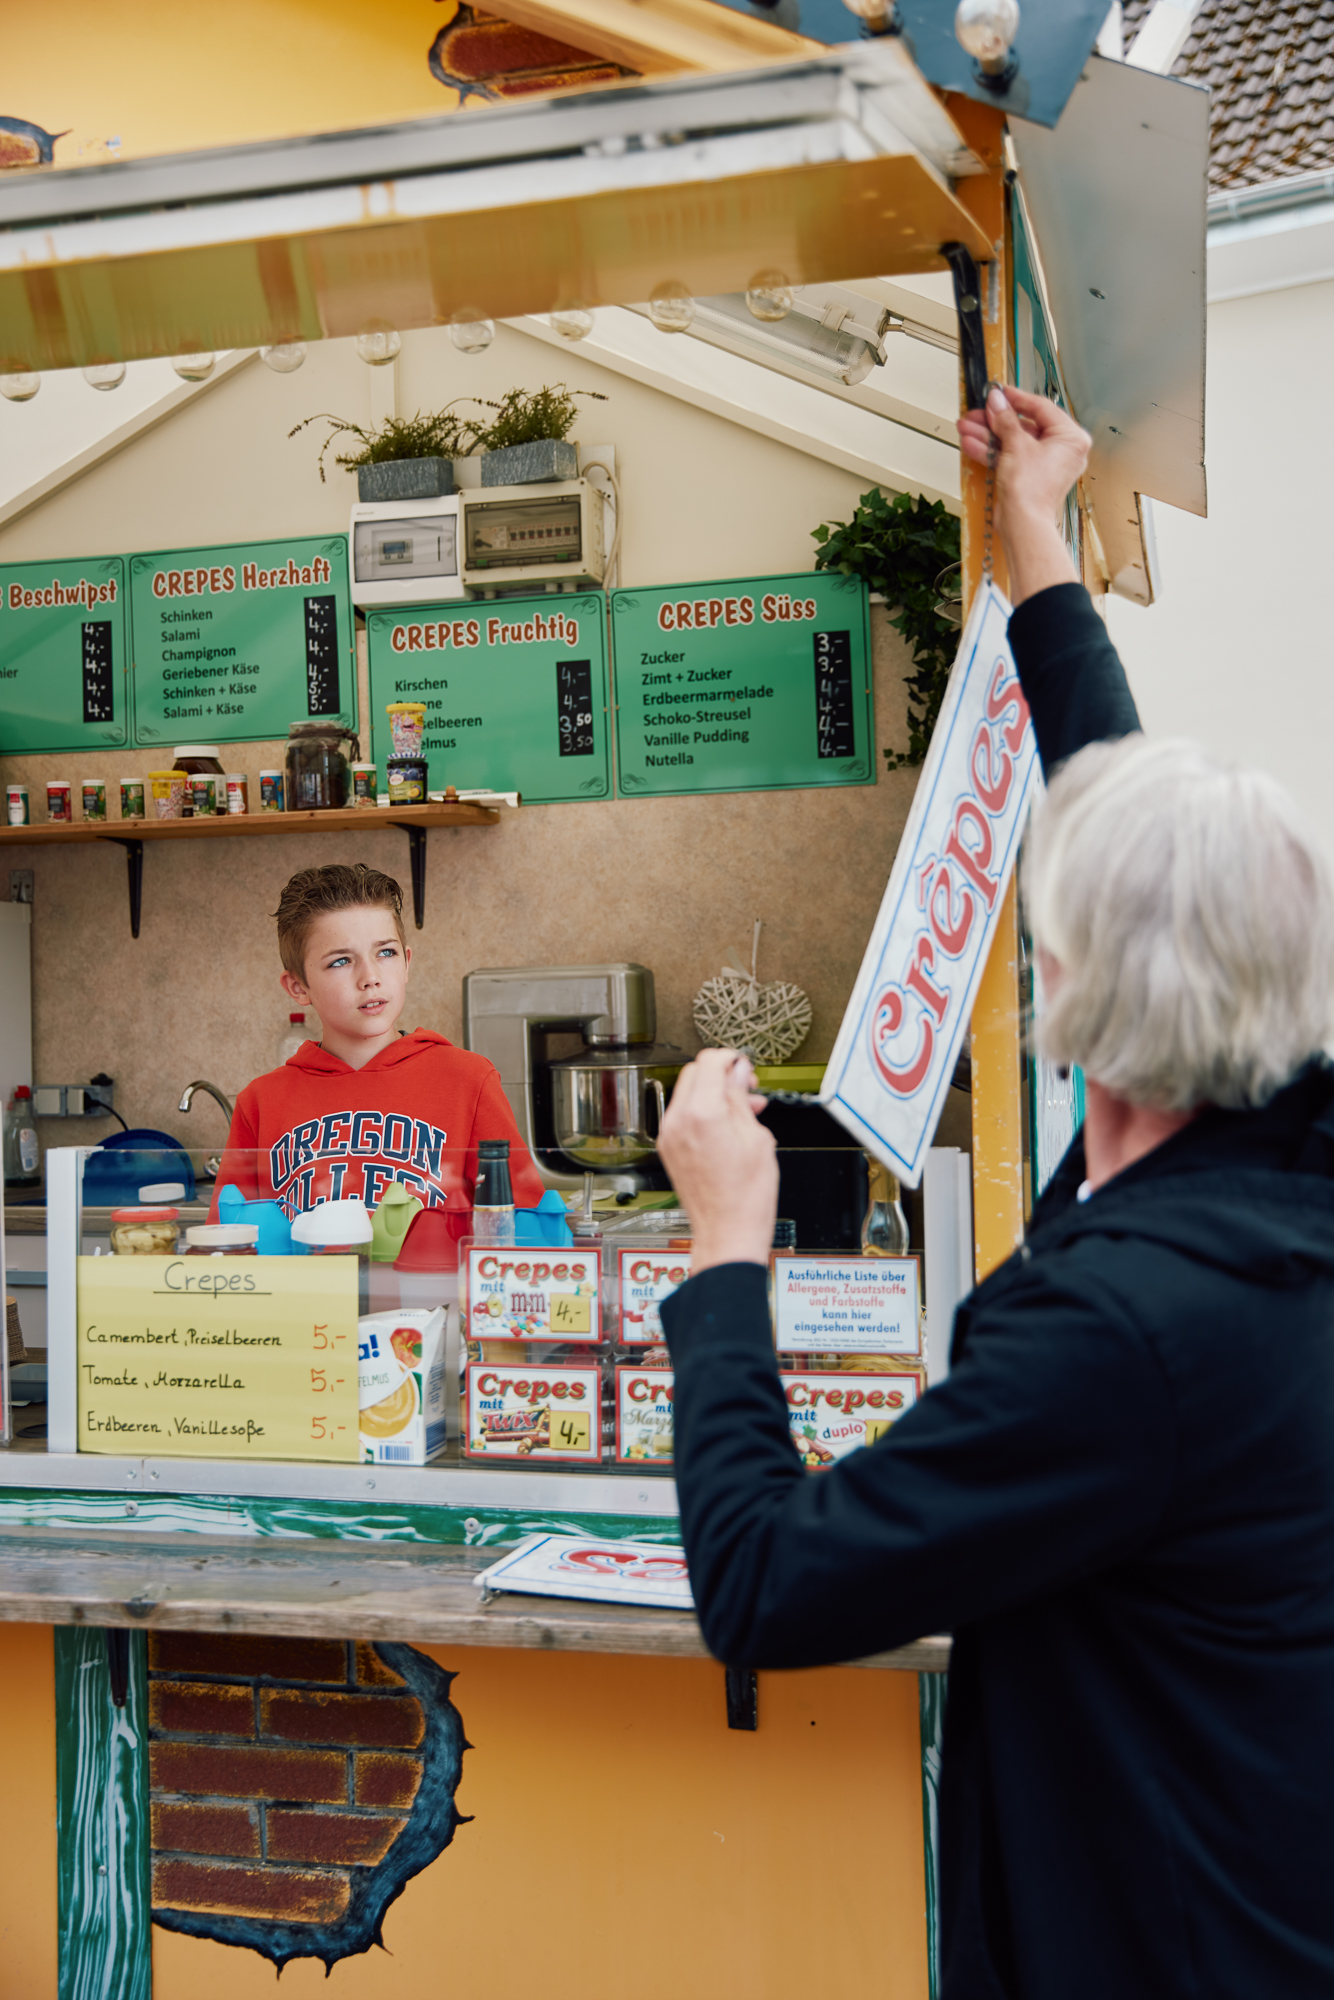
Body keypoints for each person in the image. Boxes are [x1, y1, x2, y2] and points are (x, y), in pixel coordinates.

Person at [656, 386, 1334, 1999]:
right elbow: (1127, 815)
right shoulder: (1278, 1149)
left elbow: (760, 1579)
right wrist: (1032, 530)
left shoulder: (1110, 1332)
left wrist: (722, 1254)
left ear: (1057, 990)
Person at [213, 862, 543, 1219]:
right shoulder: (260, 1102)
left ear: (406, 964)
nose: (369, 977)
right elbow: (231, 1243)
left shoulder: (469, 1080)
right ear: (298, 987)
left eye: (385, 953)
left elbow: (522, 1225)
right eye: (340, 961)